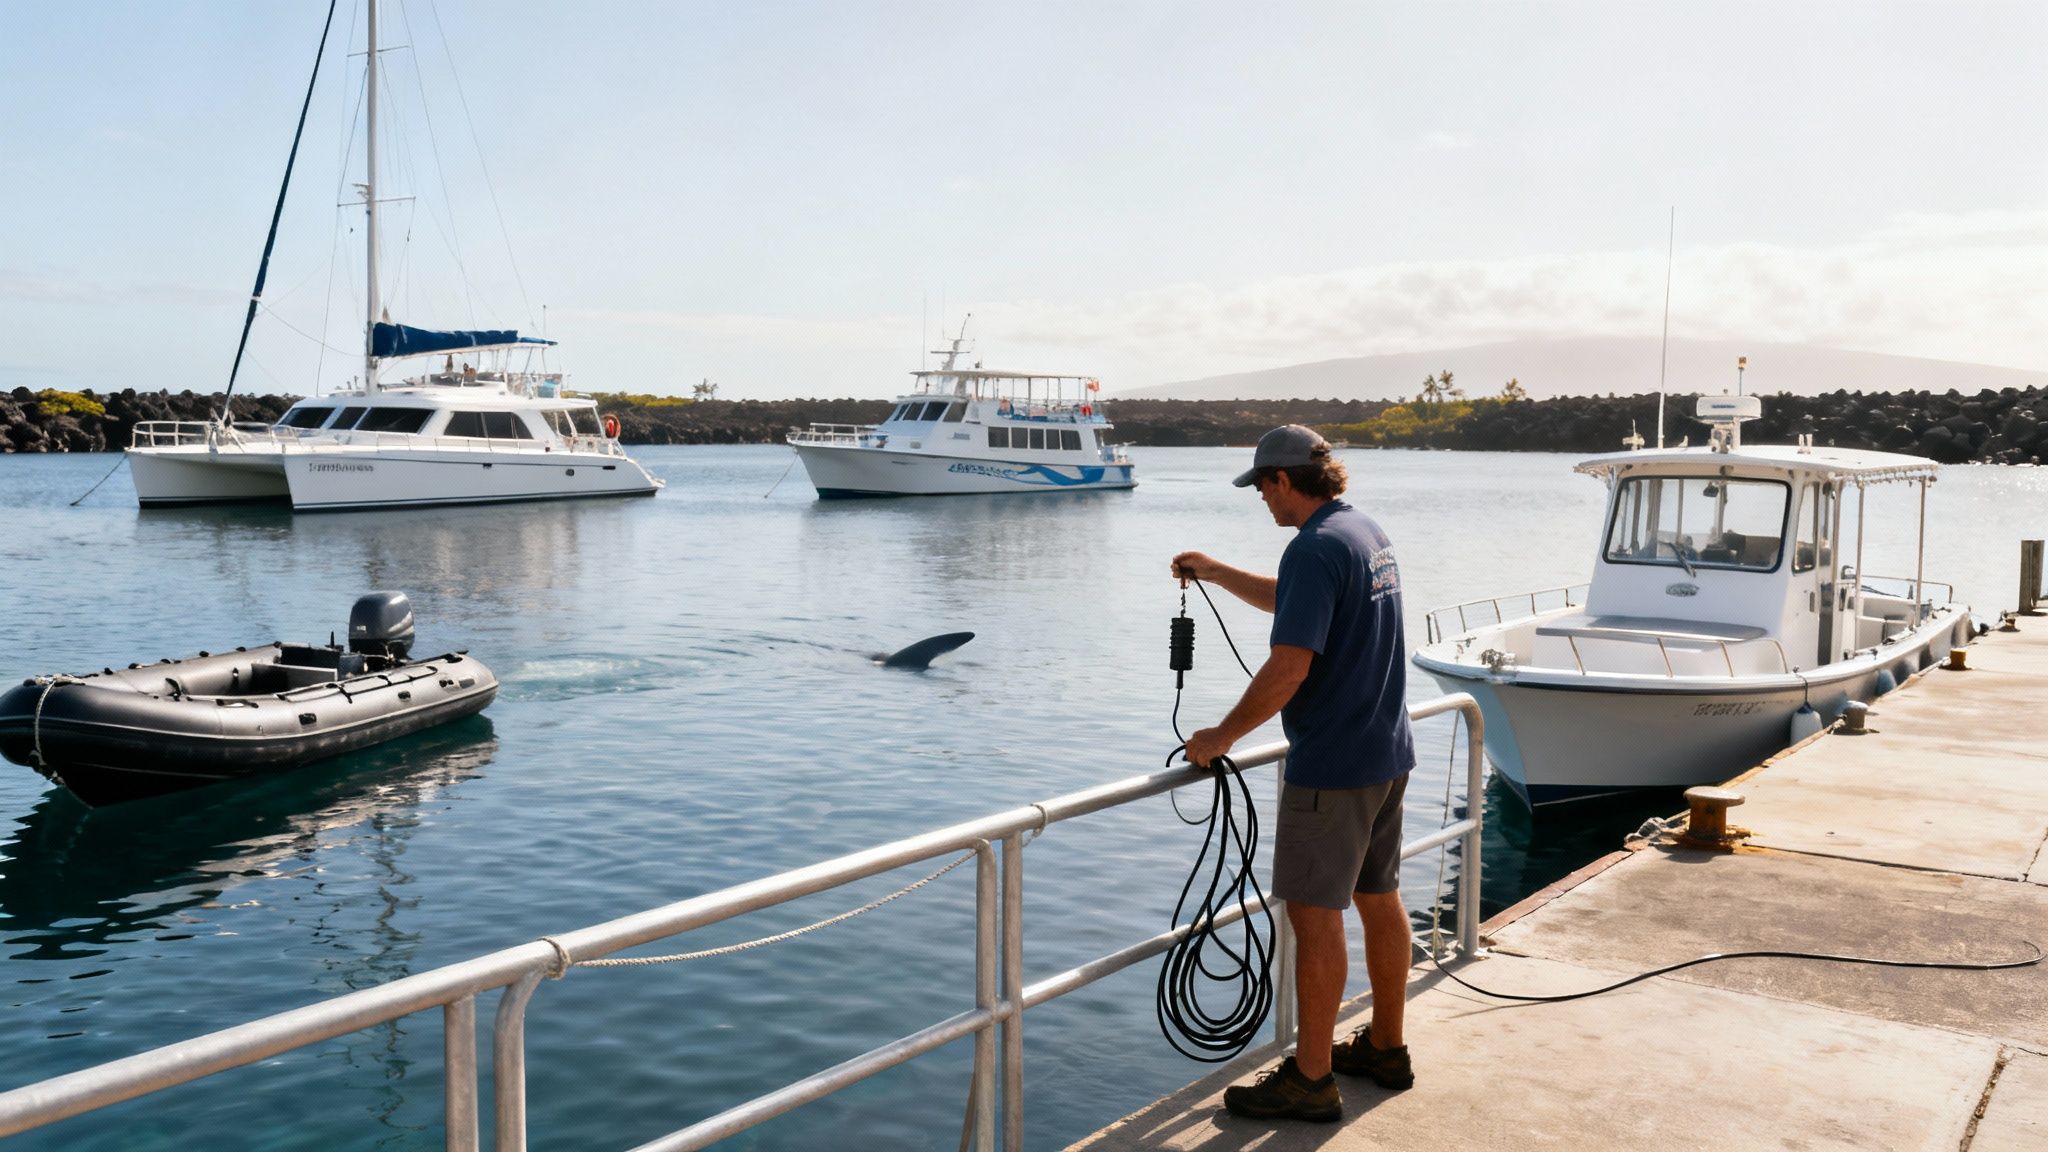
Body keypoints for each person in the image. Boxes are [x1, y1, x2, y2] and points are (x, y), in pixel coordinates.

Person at [1170, 424, 1416, 1124]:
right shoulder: (1362, 531)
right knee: (1380, 897)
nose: (1262, 502)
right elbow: (1300, 601)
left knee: (1315, 921)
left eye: (1262, 488)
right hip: (1386, 753)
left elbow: (1289, 666)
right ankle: (1386, 1048)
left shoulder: (1312, 547)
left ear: (1282, 480)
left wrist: (1220, 737)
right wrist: (1216, 572)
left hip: (1333, 767)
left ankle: (1311, 1080)